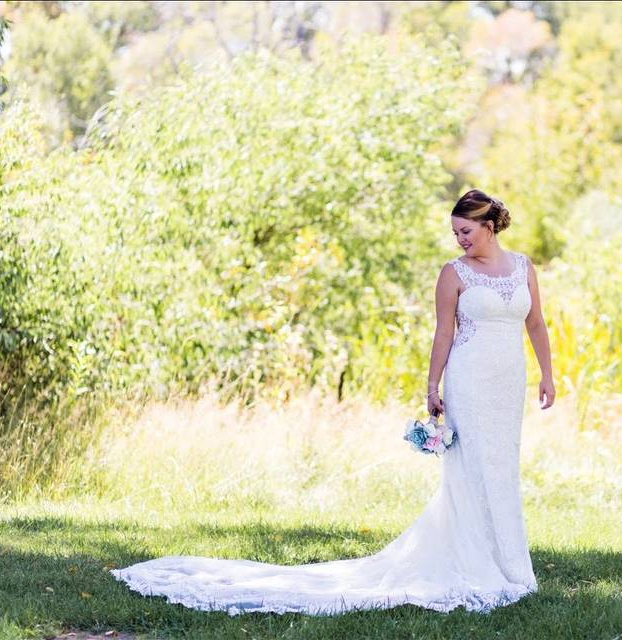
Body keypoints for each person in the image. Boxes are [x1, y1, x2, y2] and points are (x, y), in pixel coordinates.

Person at [109, 189, 557, 615]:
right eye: (455, 232)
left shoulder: (522, 267)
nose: (460, 239)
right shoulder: (453, 274)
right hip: (470, 382)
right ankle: (477, 566)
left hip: (507, 383)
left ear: (489, 225)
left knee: (502, 467)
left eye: (467, 231)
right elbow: (444, 333)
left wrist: (547, 376)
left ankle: (510, 566)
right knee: (473, 468)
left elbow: (535, 323)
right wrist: (432, 386)